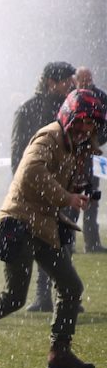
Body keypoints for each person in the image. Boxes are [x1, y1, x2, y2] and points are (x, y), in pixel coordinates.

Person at [0, 89, 102, 368]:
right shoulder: (49, 137)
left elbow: (51, 180)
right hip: (20, 222)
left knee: (71, 286)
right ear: (69, 118)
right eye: (82, 123)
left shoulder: (72, 145)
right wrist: (67, 197)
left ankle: (59, 352)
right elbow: (31, 174)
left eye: (91, 125)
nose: (86, 130)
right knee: (15, 296)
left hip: (43, 226)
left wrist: (75, 191)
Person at [11, 62, 77, 311]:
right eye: (66, 81)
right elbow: (19, 155)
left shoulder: (68, 110)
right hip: (38, 188)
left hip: (66, 186)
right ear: (51, 82)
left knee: (65, 240)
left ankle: (65, 295)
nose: (70, 85)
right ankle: (43, 296)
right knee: (43, 241)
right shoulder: (28, 111)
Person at [74, 66, 107, 253]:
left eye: (89, 78)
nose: (87, 82)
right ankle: (67, 241)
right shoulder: (71, 97)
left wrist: (95, 142)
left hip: (91, 157)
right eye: (83, 79)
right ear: (76, 80)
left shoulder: (100, 97)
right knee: (72, 199)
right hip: (73, 157)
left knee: (92, 198)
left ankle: (92, 242)